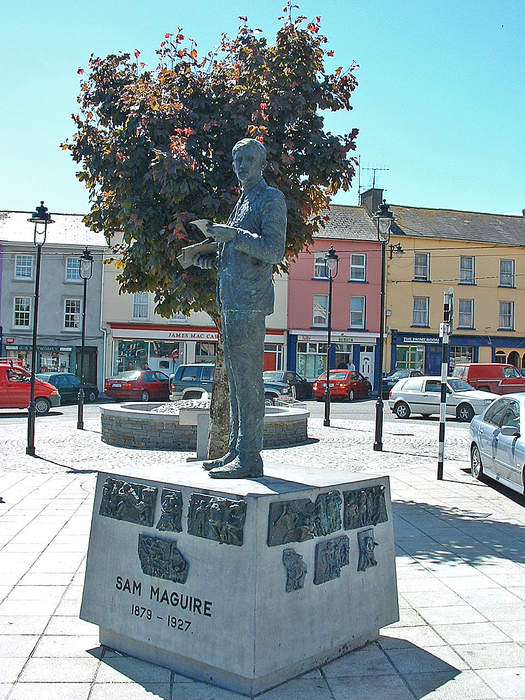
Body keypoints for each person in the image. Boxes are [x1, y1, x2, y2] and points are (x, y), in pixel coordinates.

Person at [194, 138, 287, 478]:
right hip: (232, 301)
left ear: (261, 163)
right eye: (237, 160)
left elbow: (273, 250)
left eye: (248, 159)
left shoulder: (270, 199)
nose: (242, 165)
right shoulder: (243, 201)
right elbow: (236, 256)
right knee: (235, 380)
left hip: (250, 303)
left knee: (249, 382)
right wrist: (205, 258)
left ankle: (250, 457)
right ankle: (235, 449)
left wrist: (233, 236)